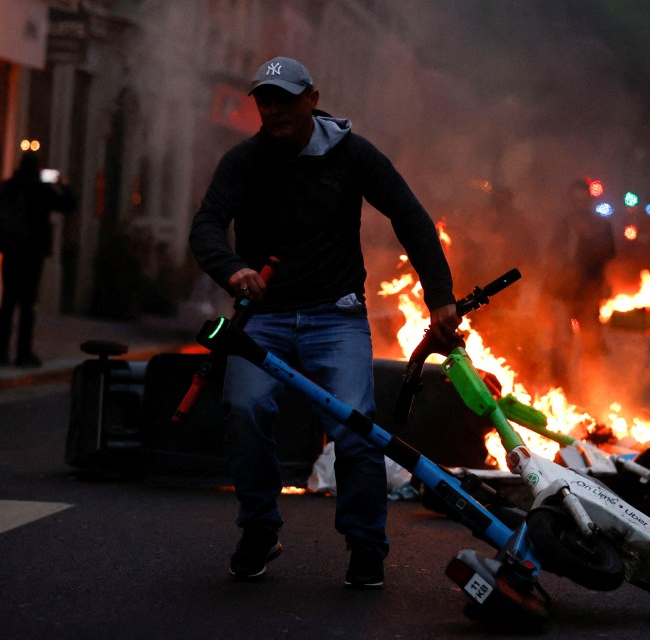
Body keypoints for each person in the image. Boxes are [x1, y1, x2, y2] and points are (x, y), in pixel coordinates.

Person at [190, 56, 460, 589]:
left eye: (285, 99)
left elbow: (410, 216)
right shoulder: (243, 161)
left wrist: (441, 297)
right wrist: (234, 268)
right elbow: (206, 226)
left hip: (334, 317)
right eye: (264, 100)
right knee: (244, 409)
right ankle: (260, 530)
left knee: (356, 429)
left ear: (312, 98)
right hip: (262, 319)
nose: (273, 110)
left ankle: (365, 545)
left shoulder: (353, 155)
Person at [0, 151, 75, 367]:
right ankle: (23, 353)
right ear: (38, 168)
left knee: (7, 301)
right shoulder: (41, 189)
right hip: (32, 252)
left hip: (10, 251)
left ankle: (1, 353)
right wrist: (63, 184)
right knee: (27, 304)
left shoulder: (8, 186)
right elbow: (68, 205)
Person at [543, 178, 616, 385]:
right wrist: (547, 290)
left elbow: (608, 254)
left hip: (587, 292)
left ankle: (591, 388)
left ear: (589, 202)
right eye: (575, 201)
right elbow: (552, 255)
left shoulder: (601, 226)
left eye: (583, 201)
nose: (579, 205)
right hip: (562, 291)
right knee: (561, 342)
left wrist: (588, 238)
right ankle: (560, 388)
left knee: (591, 343)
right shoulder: (563, 224)